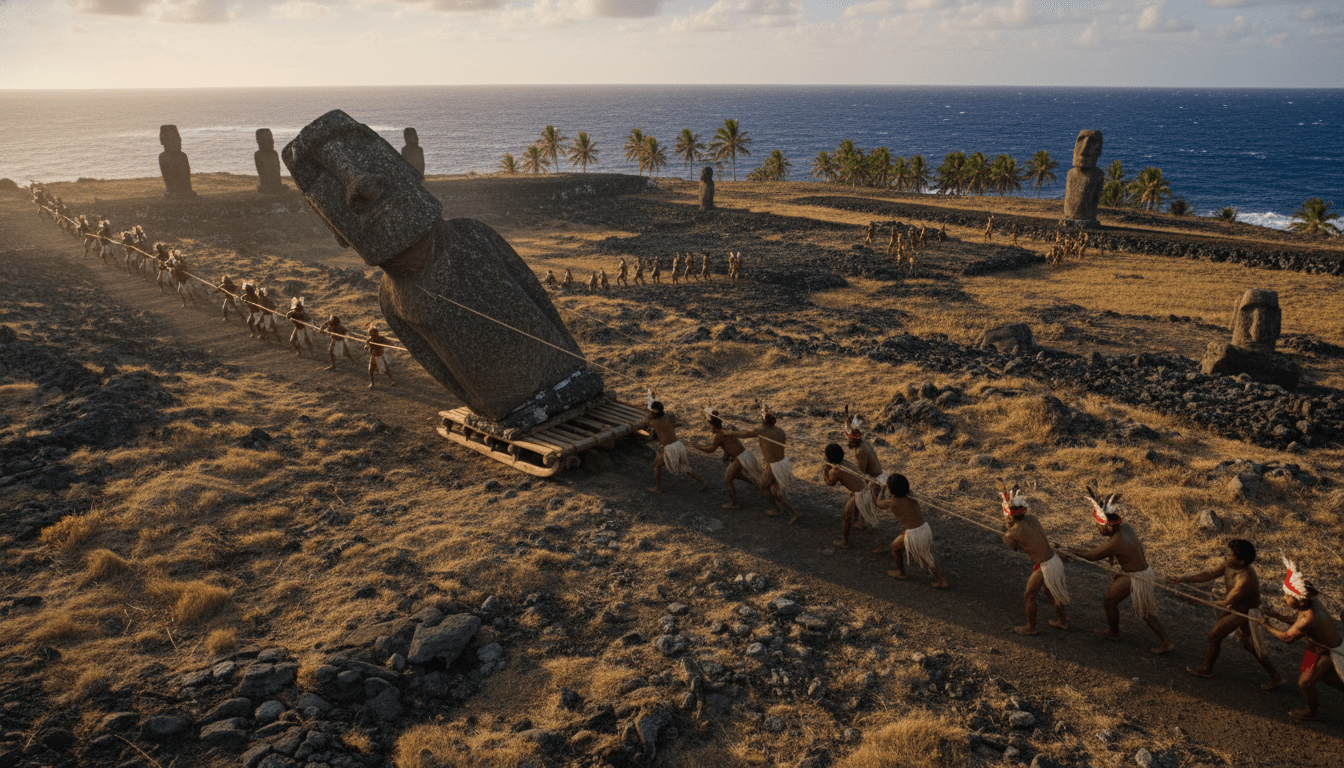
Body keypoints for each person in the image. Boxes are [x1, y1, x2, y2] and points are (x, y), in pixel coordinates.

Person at [1065, 487, 1174, 654]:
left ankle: (1118, 634)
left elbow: (1092, 556)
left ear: (1105, 527)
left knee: (1118, 604)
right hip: (1142, 572)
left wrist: (1071, 550)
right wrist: (1112, 556)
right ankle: (1118, 633)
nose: (1096, 527)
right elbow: (1120, 549)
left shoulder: (1115, 542)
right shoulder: (1125, 528)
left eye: (1097, 524)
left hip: (1136, 577)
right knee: (1120, 604)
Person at [1167, 539, 1282, 690]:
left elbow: (1228, 601)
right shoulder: (1230, 565)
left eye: (1230, 555)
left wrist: (1201, 601)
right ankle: (1275, 676)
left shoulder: (1245, 578)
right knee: (1248, 644)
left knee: (1214, 635)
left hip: (1244, 612)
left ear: (1241, 561)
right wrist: (1182, 579)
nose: (1226, 557)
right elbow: (1208, 575)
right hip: (1235, 608)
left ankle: (1206, 670)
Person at [1257, 558, 1344, 720]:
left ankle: (1311, 713)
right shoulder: (1311, 603)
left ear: (1300, 601)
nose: (1285, 598)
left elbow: (1287, 638)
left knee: (1305, 683)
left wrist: (1266, 625)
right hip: (1315, 648)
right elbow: (1298, 622)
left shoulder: (1308, 618)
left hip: (1327, 652)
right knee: (1323, 677)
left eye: (1287, 596)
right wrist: (1278, 616)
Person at [1000, 485, 1069, 635]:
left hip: (1046, 566)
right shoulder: (1032, 518)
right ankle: (1062, 621)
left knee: (1029, 595)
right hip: (1054, 560)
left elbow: (1015, 548)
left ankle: (1030, 628)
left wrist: (1007, 532)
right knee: (1050, 592)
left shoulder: (1012, 533)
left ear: (1008, 515)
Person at [725, 405, 802, 523]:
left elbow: (743, 434)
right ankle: (789, 510)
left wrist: (728, 433)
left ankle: (783, 510)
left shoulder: (761, 431)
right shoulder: (780, 430)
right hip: (782, 463)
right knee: (774, 489)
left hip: (773, 466)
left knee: (763, 486)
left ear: (764, 422)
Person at [876, 474, 946, 588]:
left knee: (895, 548)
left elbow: (878, 503)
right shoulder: (911, 495)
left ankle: (901, 573)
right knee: (926, 555)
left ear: (892, 489)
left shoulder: (891, 502)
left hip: (915, 534)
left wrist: (882, 489)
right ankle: (941, 580)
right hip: (925, 529)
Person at [691, 409, 767, 510]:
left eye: (709, 426)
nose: (709, 428)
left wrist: (697, 447)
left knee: (727, 481)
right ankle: (757, 486)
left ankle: (734, 504)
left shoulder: (719, 435)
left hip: (740, 457)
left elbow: (710, 450)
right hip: (744, 454)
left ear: (713, 426)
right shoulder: (726, 429)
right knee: (736, 475)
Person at [637, 395, 705, 494]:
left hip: (671, 448)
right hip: (677, 445)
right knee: (660, 465)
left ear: (654, 412)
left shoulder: (654, 422)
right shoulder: (666, 417)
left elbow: (644, 422)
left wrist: (648, 413)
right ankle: (702, 481)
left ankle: (658, 488)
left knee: (682, 468)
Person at [824, 444, 881, 550]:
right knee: (854, 503)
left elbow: (829, 483)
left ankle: (845, 542)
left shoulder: (835, 471)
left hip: (863, 493)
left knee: (846, 516)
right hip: (868, 488)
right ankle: (860, 522)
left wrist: (825, 469)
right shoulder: (845, 462)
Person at [843, 415, 883, 480]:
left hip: (875, 479)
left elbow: (861, 473)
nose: (849, 441)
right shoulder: (864, 442)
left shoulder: (860, 451)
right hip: (880, 475)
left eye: (850, 438)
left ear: (854, 439)